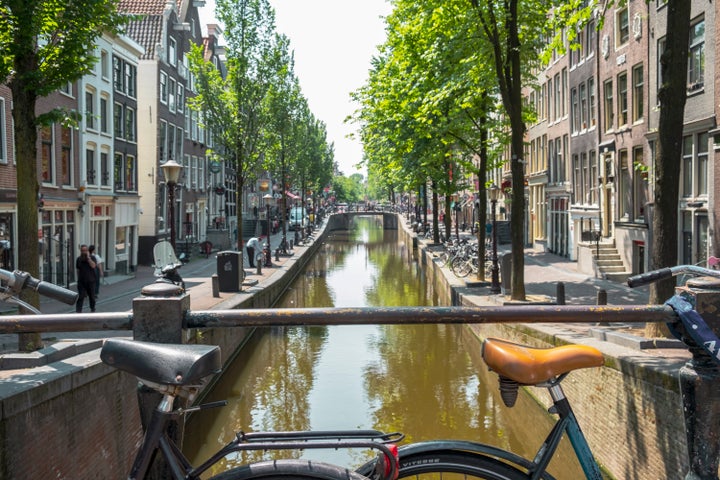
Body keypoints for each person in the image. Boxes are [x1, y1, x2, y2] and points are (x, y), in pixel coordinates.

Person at [76, 244, 97, 313]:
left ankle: (92, 309)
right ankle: (78, 312)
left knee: (92, 297)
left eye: (85, 250)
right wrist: (78, 279)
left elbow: (93, 266)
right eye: (82, 251)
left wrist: (88, 258)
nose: (84, 252)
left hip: (91, 281)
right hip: (81, 282)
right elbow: (78, 270)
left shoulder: (92, 258)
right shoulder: (79, 259)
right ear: (80, 251)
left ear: (88, 251)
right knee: (81, 297)